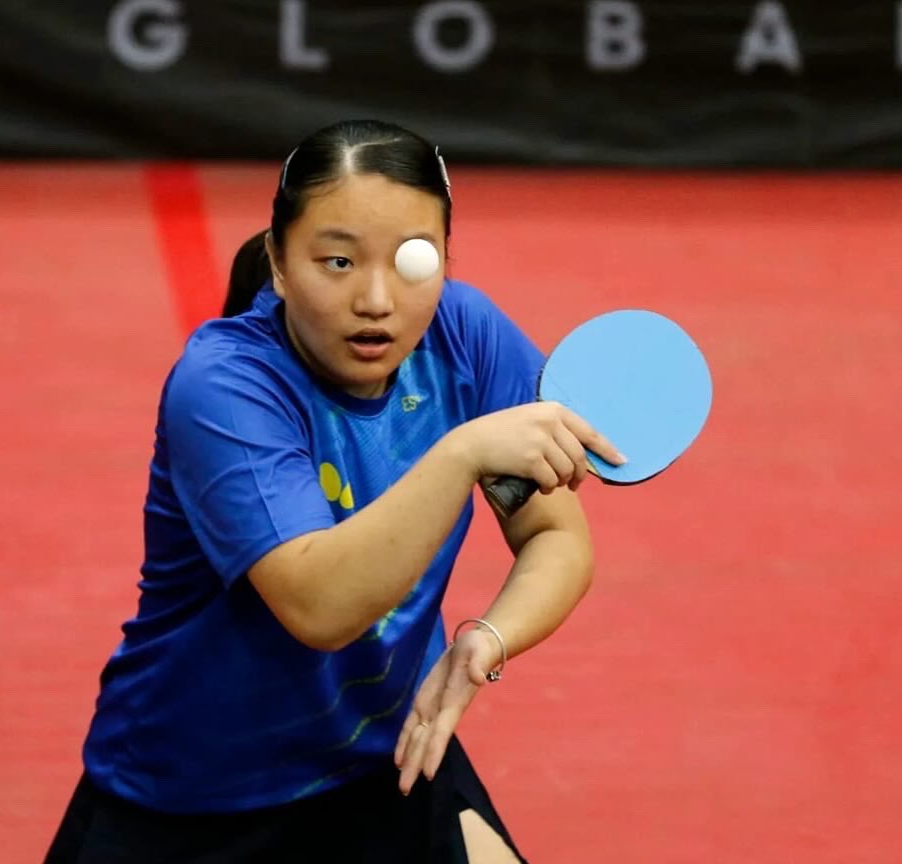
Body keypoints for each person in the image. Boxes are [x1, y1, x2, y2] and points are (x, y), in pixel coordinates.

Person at [44, 118, 624, 864]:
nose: (376, 299)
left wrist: (489, 636)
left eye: (412, 260)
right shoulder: (225, 386)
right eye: (338, 261)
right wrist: (460, 454)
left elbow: (554, 535)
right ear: (281, 263)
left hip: (384, 758)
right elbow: (318, 607)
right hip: (193, 794)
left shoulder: (465, 335)